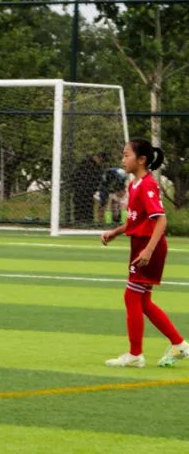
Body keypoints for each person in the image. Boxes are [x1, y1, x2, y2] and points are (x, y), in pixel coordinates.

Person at [101, 139, 189, 368]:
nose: (123, 160)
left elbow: (161, 219)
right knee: (144, 301)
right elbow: (136, 221)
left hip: (149, 247)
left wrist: (149, 250)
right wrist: (116, 232)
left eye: (126, 155)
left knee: (131, 296)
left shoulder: (148, 185)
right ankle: (179, 345)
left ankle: (135, 354)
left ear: (141, 159)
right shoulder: (134, 185)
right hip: (142, 245)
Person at [70, 152, 104, 225]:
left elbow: (98, 179)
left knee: (87, 205)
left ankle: (85, 221)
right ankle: (80, 221)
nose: (100, 162)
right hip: (81, 188)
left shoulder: (97, 168)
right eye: (100, 160)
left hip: (87, 190)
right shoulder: (85, 164)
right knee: (81, 204)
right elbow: (75, 175)